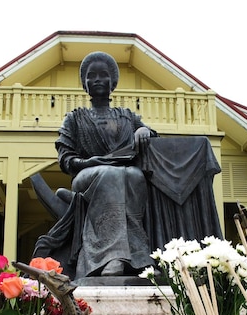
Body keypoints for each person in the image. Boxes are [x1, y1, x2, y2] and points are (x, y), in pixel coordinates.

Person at [35, 51, 157, 279]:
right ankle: (111, 257)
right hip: (86, 174)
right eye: (92, 76)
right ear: (85, 83)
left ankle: (141, 257)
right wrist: (88, 162)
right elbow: (66, 159)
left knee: (136, 176)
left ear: (112, 82)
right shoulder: (75, 118)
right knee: (110, 175)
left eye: (104, 75)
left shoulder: (127, 116)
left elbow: (150, 136)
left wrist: (143, 130)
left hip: (123, 172)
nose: (98, 79)